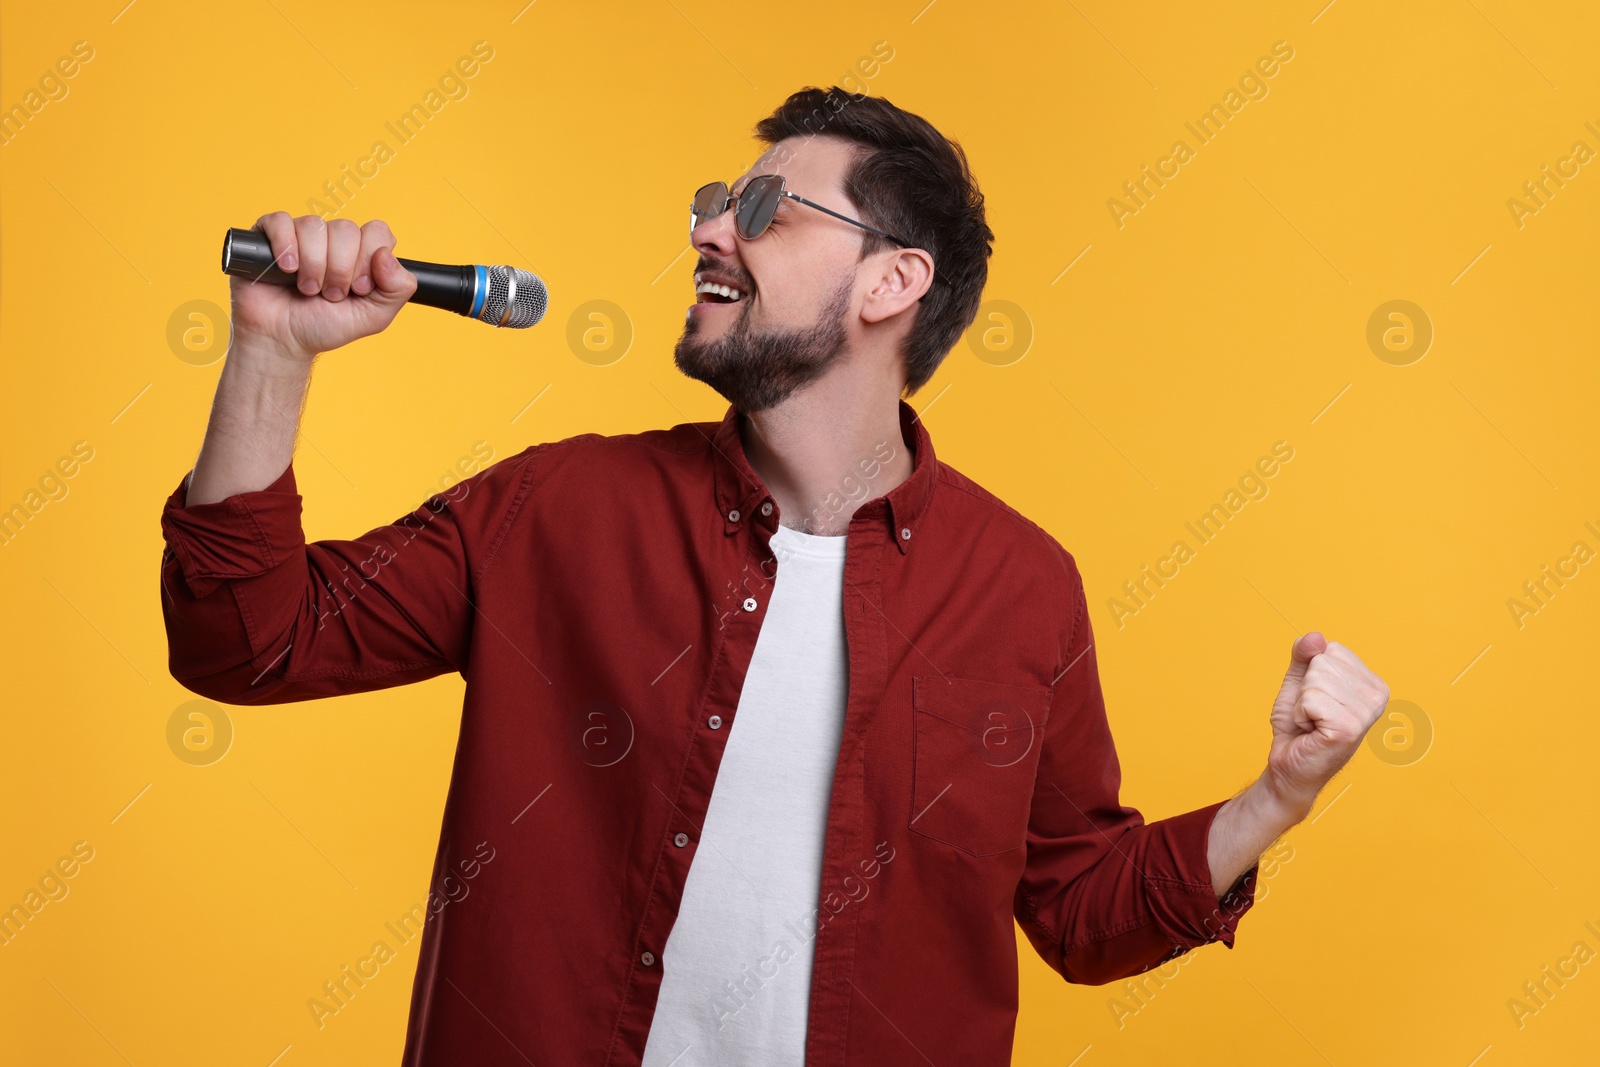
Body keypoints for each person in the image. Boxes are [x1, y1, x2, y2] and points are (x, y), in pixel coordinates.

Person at [158, 86, 1391, 1066]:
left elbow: (1079, 910)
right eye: (713, 201)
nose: (705, 229)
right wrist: (272, 353)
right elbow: (247, 643)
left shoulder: (1021, 588)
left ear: (891, 281)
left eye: (761, 210)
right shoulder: (558, 507)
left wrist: (1277, 796)